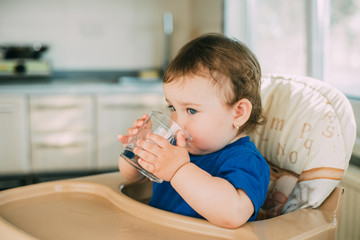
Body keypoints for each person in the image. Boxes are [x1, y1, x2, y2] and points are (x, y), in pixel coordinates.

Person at [117, 33, 270, 229]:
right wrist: (137, 151)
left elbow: (232, 214)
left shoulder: (246, 161)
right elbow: (132, 178)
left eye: (191, 110)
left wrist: (178, 170)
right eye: (172, 108)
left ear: (238, 113)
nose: (177, 122)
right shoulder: (174, 148)